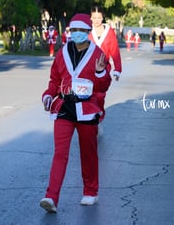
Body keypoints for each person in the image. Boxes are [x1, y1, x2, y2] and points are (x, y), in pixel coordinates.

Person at [39, 13, 112, 214]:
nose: (77, 34)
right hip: (64, 108)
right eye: (74, 30)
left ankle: (91, 191)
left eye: (82, 30)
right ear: (70, 32)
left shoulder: (98, 55)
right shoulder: (62, 53)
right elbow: (54, 80)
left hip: (87, 110)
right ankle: (51, 197)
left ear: (88, 32)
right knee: (59, 153)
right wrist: (48, 95)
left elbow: (104, 85)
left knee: (88, 153)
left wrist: (99, 72)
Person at [88, 6, 122, 82]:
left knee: (100, 93)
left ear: (102, 17)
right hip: (88, 68)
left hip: (104, 68)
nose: (96, 20)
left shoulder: (109, 31)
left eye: (99, 18)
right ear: (91, 18)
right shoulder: (87, 31)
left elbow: (115, 51)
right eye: (94, 17)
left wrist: (117, 70)